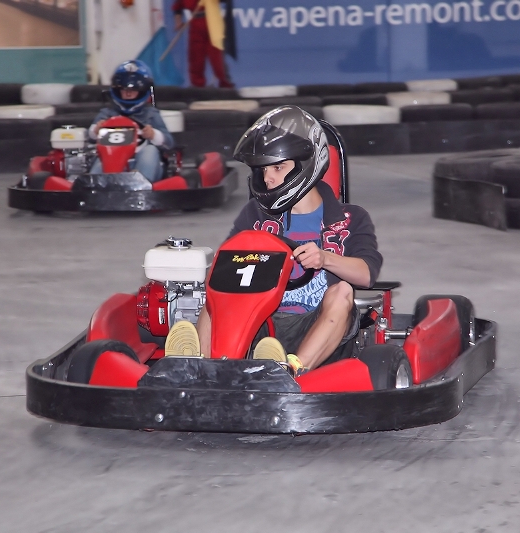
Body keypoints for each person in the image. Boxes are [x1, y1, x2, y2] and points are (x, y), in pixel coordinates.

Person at [165, 106, 383, 374]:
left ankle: (291, 369)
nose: (268, 178)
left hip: (318, 326)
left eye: (278, 167)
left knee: (343, 292)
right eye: (264, 169)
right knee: (218, 289)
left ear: (306, 164)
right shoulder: (255, 214)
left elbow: (366, 274)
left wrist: (325, 258)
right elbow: (225, 268)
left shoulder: (350, 218)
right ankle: (204, 367)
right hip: (260, 324)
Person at [89, 60, 174, 183]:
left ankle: (141, 182)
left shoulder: (151, 114)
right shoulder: (107, 113)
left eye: (134, 89)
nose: (128, 93)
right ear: (117, 89)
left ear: (142, 90)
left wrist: (153, 135)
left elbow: (169, 143)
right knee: (100, 157)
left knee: (150, 151)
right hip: (112, 161)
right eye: (124, 89)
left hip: (140, 161)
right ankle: (94, 184)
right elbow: (89, 137)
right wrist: (96, 130)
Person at [171, 0, 234, 88]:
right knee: (196, 59)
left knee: (217, 58)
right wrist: (178, 21)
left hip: (212, 24)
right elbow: (178, 6)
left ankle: (225, 84)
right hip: (196, 25)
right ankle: (197, 86)